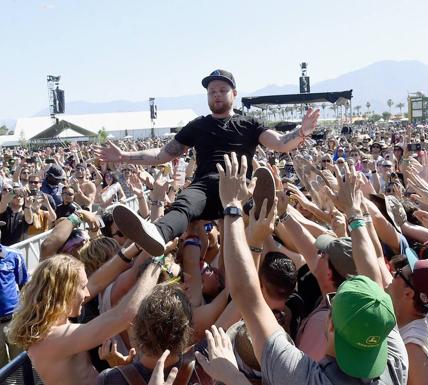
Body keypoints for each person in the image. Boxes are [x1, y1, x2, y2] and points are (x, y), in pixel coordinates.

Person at [213, 153, 408, 384]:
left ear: (331, 323)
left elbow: (247, 297)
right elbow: (373, 281)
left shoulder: (304, 378)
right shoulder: (395, 362)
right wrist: (354, 215)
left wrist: (233, 206)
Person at [96, 69, 320, 256]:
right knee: (183, 204)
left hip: (238, 187)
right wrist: (123, 156)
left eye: (222, 90)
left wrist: (301, 132)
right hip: (204, 188)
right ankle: (159, 234)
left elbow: (280, 143)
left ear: (234, 93)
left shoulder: (249, 123)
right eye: (212, 91)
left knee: (269, 219)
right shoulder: (198, 126)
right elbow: (162, 155)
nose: (217, 95)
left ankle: (316, 250)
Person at [7, 251, 161, 385]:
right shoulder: (53, 337)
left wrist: (133, 248)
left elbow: (97, 282)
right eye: (82, 287)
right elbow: (123, 315)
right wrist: (157, 262)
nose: (87, 293)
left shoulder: (54, 323)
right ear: (64, 292)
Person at [390, 257, 428, 385]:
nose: (393, 273)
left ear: (408, 294)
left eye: (398, 273)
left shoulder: (413, 347)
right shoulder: (410, 322)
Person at [0, 238, 27, 366]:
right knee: (2, 368)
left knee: (20, 362)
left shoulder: (14, 255)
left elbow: (24, 285)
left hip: (13, 320)